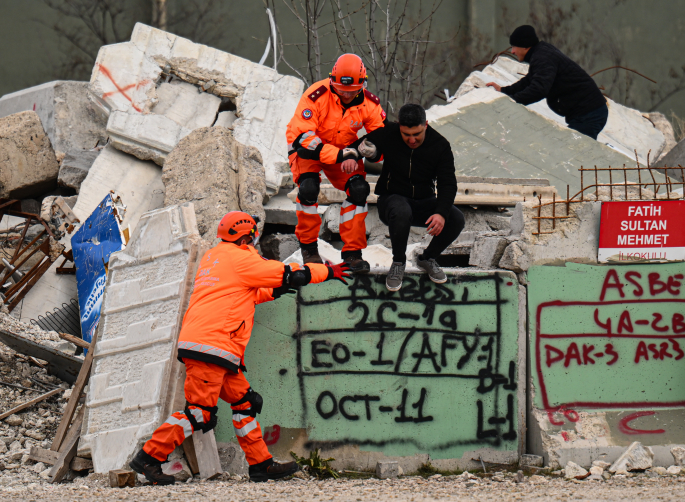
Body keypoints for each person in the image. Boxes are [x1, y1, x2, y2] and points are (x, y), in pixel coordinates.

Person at [129, 212, 352, 485]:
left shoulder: (215, 257)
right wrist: (327, 271)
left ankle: (260, 465)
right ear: (247, 235)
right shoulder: (241, 258)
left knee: (246, 402)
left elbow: (243, 290)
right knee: (199, 412)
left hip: (214, 347)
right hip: (213, 346)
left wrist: (274, 291)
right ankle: (148, 459)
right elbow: (285, 274)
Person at [286, 53, 386, 273]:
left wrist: (366, 152)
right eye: (341, 90)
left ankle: (352, 253)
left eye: (351, 92)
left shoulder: (369, 104)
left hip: (344, 152)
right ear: (332, 81)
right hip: (310, 151)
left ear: (362, 85)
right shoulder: (316, 96)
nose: (346, 95)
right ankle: (309, 248)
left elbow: (381, 135)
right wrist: (344, 156)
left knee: (359, 189)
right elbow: (303, 138)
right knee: (308, 187)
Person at [349, 104, 465, 292]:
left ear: (425, 125)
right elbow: (359, 147)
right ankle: (398, 262)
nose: (412, 140)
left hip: (423, 201)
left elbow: (448, 184)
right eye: (406, 135)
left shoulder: (440, 145)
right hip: (391, 201)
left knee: (456, 218)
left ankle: (427, 258)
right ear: (399, 127)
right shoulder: (389, 133)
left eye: (417, 134)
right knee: (401, 209)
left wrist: (441, 213)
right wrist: (355, 155)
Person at [486, 25, 608, 140]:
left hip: (590, 114)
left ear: (524, 46)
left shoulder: (543, 58)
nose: (512, 51)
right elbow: (530, 80)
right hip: (589, 112)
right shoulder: (541, 53)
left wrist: (512, 101)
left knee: (572, 152)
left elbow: (539, 89)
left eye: (514, 46)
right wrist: (504, 91)